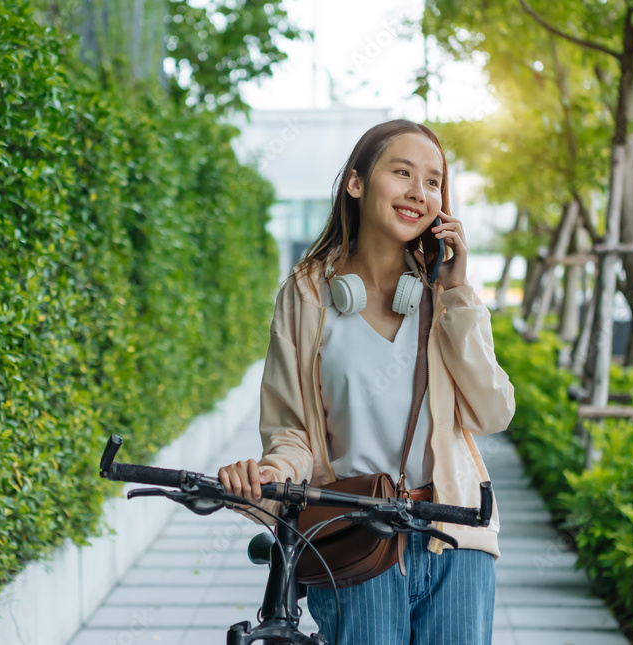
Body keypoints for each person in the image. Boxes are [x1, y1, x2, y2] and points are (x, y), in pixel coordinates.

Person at [217, 119, 516, 645]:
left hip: (455, 537)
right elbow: (292, 431)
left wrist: (459, 295)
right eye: (402, 172)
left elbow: (493, 413)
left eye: (432, 181)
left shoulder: (443, 293)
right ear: (356, 183)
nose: (417, 192)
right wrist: (267, 475)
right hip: (356, 539)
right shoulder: (308, 294)